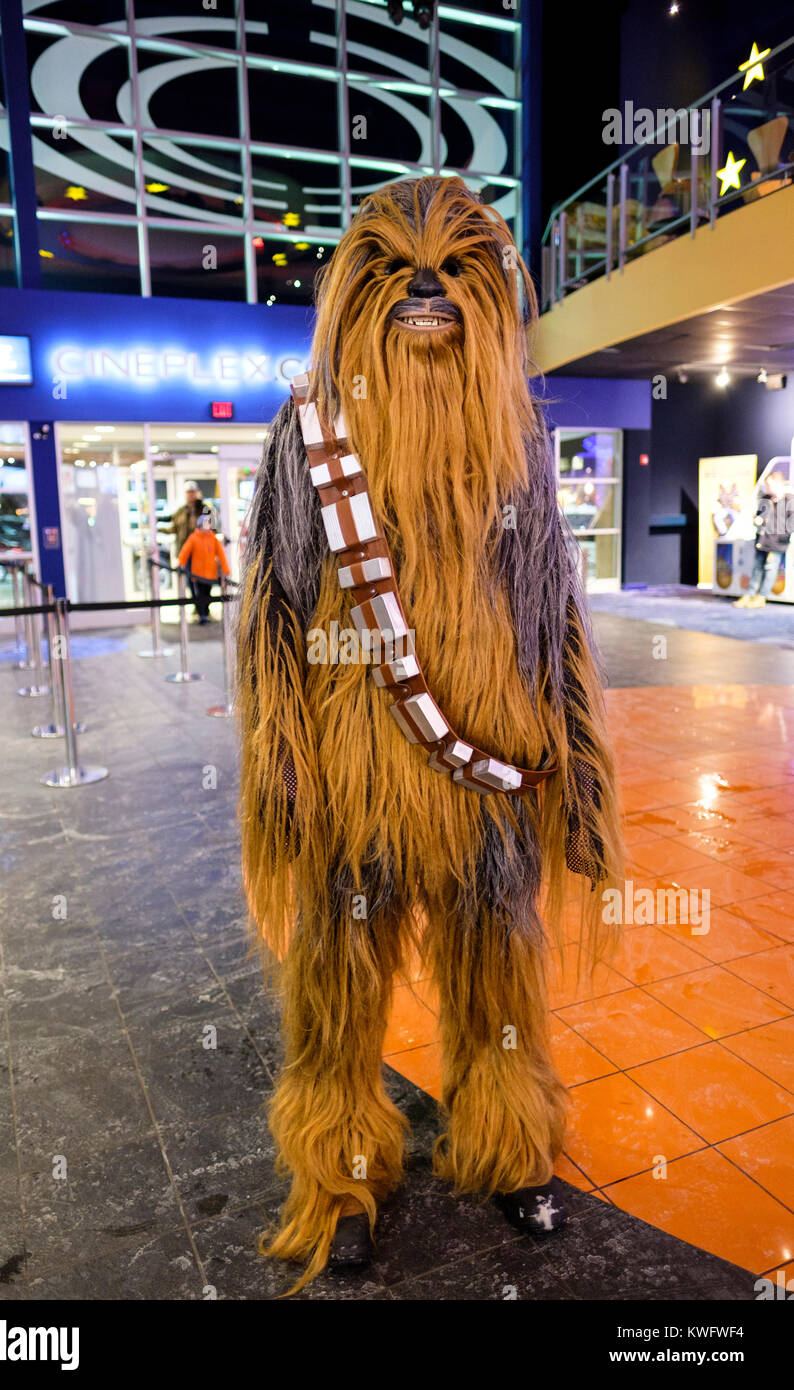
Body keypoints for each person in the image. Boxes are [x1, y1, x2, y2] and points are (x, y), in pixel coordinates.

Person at [237, 175, 622, 1293]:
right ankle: (339, 1175)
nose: (423, 289)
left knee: (499, 977)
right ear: (349, 302)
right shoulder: (307, 443)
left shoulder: (518, 454)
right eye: (391, 272)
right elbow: (272, 613)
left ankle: (505, 1148)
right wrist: (283, 774)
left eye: (456, 270)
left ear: (491, 304)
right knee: (336, 988)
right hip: (352, 787)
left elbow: (554, 625)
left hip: (488, 771)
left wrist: (583, 786)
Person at [734, 469, 792, 608]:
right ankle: (750, 594)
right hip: (762, 540)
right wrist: (757, 520)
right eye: (766, 485)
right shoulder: (765, 499)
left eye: (770, 485)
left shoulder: (790, 500)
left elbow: (791, 523)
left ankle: (762, 597)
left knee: (770, 569)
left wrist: (781, 534)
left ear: (778, 484)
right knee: (757, 568)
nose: (767, 488)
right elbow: (758, 516)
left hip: (777, 542)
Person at [177, 511, 230, 623]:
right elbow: (185, 552)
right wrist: (181, 563)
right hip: (198, 574)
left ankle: (205, 613)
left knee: (208, 594)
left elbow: (221, 555)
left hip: (210, 574)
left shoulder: (213, 539)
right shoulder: (194, 538)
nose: (208, 525)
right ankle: (202, 615)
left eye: (209, 523)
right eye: (206, 523)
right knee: (200, 595)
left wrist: (226, 570)